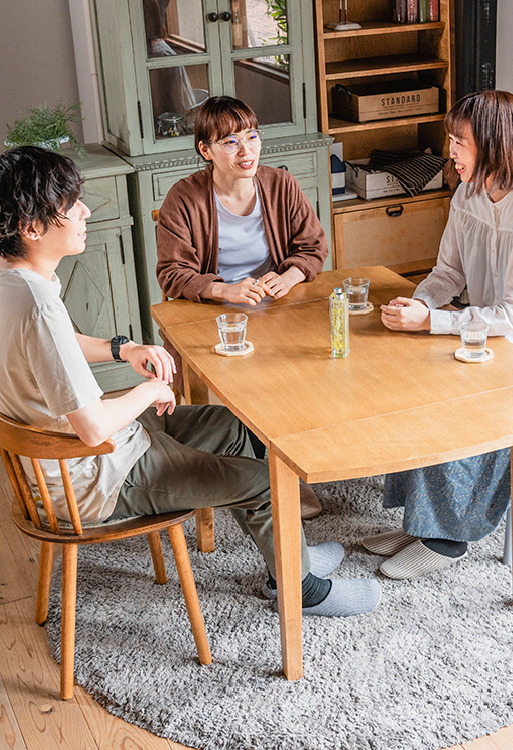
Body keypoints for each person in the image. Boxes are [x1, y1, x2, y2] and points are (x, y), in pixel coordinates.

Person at [0, 146, 380, 617]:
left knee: (238, 427)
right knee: (268, 482)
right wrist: (149, 390)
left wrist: (122, 349)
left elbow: (56, 341)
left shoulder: (5, 273)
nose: (84, 210)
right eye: (69, 205)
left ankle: (291, 558)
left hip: (85, 454)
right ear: (32, 228)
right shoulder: (35, 305)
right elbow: (92, 428)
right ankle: (301, 590)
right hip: (93, 476)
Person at [364, 90, 513, 580]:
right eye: (451, 139)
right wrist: (421, 303)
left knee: (459, 399)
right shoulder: (466, 196)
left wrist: (435, 323)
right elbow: (448, 272)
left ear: (493, 144)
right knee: (417, 382)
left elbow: (512, 316)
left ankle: (449, 539)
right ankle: (421, 521)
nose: (451, 150)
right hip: (492, 338)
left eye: (460, 140)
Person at [156, 95, 329, 518]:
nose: (246, 150)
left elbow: (314, 247)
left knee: (316, 367)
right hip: (213, 317)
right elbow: (172, 274)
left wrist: (288, 276)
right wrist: (224, 290)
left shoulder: (280, 184)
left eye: (252, 137)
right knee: (254, 392)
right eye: (230, 142)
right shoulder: (184, 197)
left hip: (278, 308)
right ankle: (268, 481)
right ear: (205, 150)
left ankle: (300, 466)